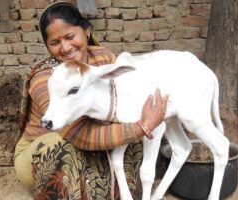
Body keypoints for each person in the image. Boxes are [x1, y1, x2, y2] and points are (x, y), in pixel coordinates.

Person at [14, 1, 168, 199]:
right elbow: (80, 134)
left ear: (86, 31)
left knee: (134, 137)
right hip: (41, 152)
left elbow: (122, 98)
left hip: (93, 144)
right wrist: (142, 127)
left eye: (70, 37)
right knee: (59, 146)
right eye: (55, 43)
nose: (65, 47)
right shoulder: (45, 79)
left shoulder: (103, 59)